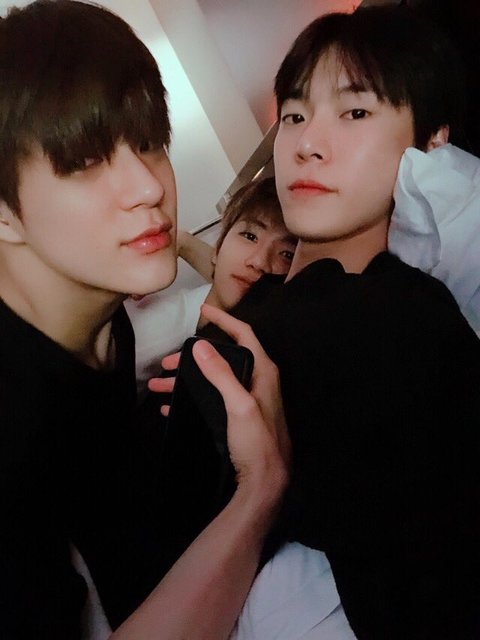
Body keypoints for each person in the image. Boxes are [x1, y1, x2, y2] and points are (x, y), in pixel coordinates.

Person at [0, 1, 290, 638]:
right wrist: (261, 487)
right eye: (84, 161)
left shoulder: (105, 312)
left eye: (149, 142)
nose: (149, 186)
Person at [189, 6, 480, 638]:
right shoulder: (264, 297)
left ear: (431, 143)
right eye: (294, 116)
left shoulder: (399, 321)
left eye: (355, 112)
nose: (305, 144)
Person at [125, 176, 297, 387]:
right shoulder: (148, 334)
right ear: (217, 248)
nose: (260, 262)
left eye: (287, 255)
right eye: (250, 236)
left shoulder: (266, 353)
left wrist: (185, 243)